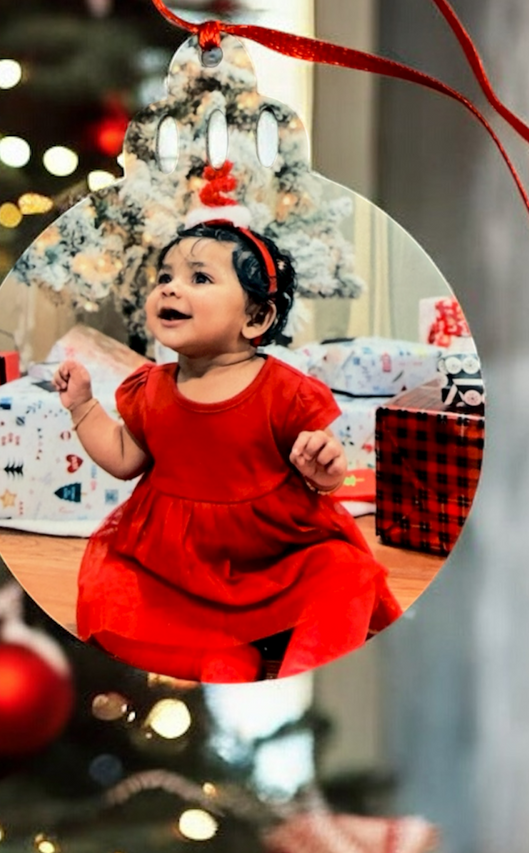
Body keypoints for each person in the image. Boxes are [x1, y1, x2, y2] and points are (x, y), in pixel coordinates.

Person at [54, 220, 401, 682]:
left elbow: (326, 472)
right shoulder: (150, 389)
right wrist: (82, 406)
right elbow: (122, 458)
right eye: (165, 277)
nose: (172, 289)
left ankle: (301, 662)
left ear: (255, 317)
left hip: (276, 556)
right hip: (176, 566)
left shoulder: (285, 391)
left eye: (199, 277)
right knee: (110, 589)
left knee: (347, 573)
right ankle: (219, 656)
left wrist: (325, 469)